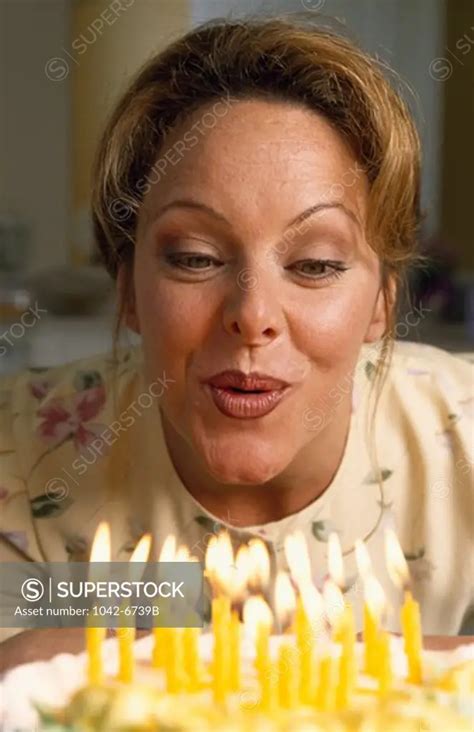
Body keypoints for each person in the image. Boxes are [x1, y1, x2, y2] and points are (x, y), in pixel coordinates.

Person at [1, 16, 472, 671]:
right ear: (129, 287)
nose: (252, 317)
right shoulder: (18, 453)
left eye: (314, 265)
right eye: (195, 258)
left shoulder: (462, 436)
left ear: (382, 303)